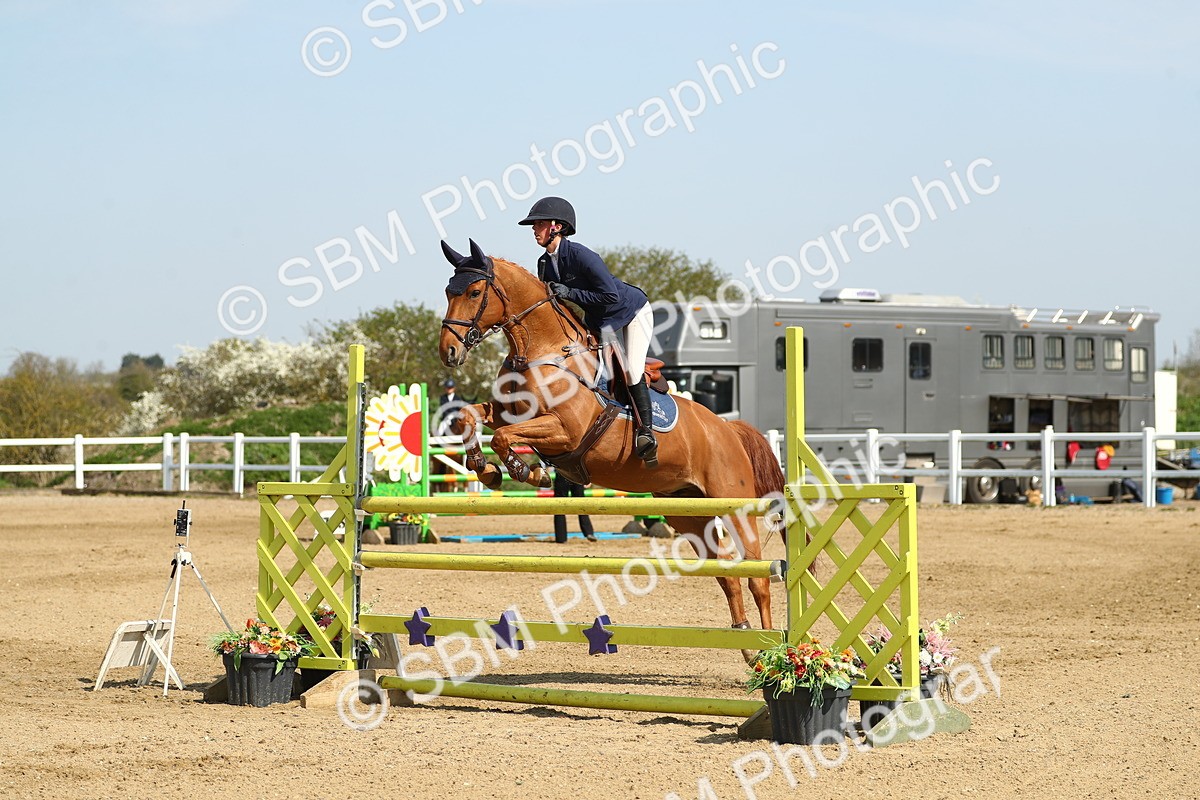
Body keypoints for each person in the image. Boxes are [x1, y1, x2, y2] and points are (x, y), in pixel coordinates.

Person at [518, 196, 658, 466]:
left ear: (557, 227)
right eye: (534, 225)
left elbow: (610, 297)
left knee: (631, 369)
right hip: (598, 321)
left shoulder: (582, 256)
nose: (534, 229)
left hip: (631, 312)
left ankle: (646, 433)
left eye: (540, 224)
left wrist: (570, 292)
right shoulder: (544, 264)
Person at [553, 471, 596, 543]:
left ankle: (561, 538)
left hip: (562, 473)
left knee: (559, 506)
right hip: (576, 475)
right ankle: (589, 532)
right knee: (581, 504)